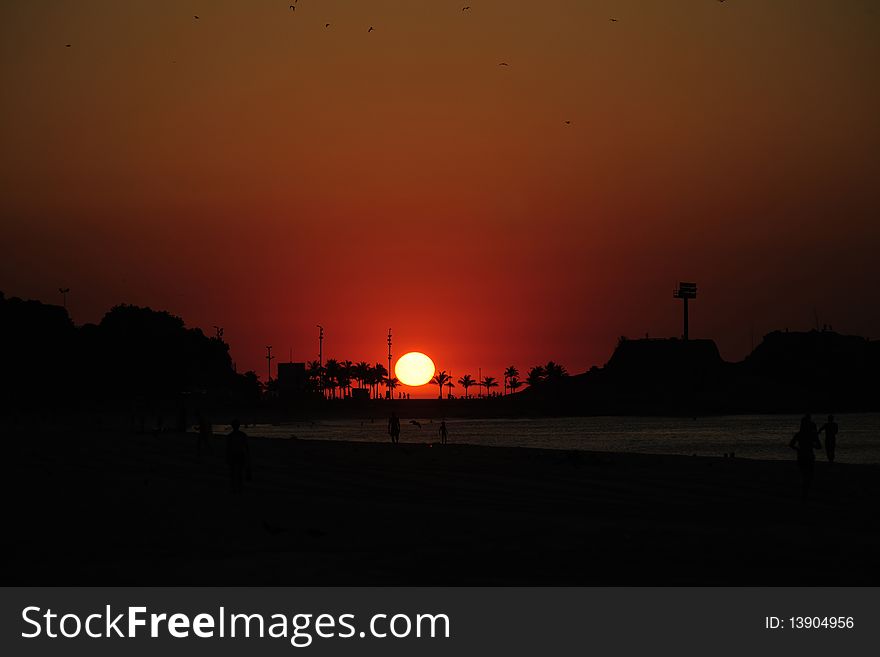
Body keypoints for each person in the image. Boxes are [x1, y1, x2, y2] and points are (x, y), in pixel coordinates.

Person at [789, 413, 822, 501]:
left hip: (801, 456)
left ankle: (804, 494)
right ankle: (805, 494)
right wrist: (813, 444)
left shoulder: (799, 434)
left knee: (805, 476)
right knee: (809, 476)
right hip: (809, 456)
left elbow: (791, 444)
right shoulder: (812, 434)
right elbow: (819, 447)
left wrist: (798, 449)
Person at [226, 419, 250, 493]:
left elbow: (227, 448)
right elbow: (246, 446)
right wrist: (248, 455)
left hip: (234, 455)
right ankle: (239, 486)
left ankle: (234, 486)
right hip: (239, 454)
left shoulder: (230, 436)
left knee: (233, 471)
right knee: (239, 471)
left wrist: (227, 456)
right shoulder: (242, 435)